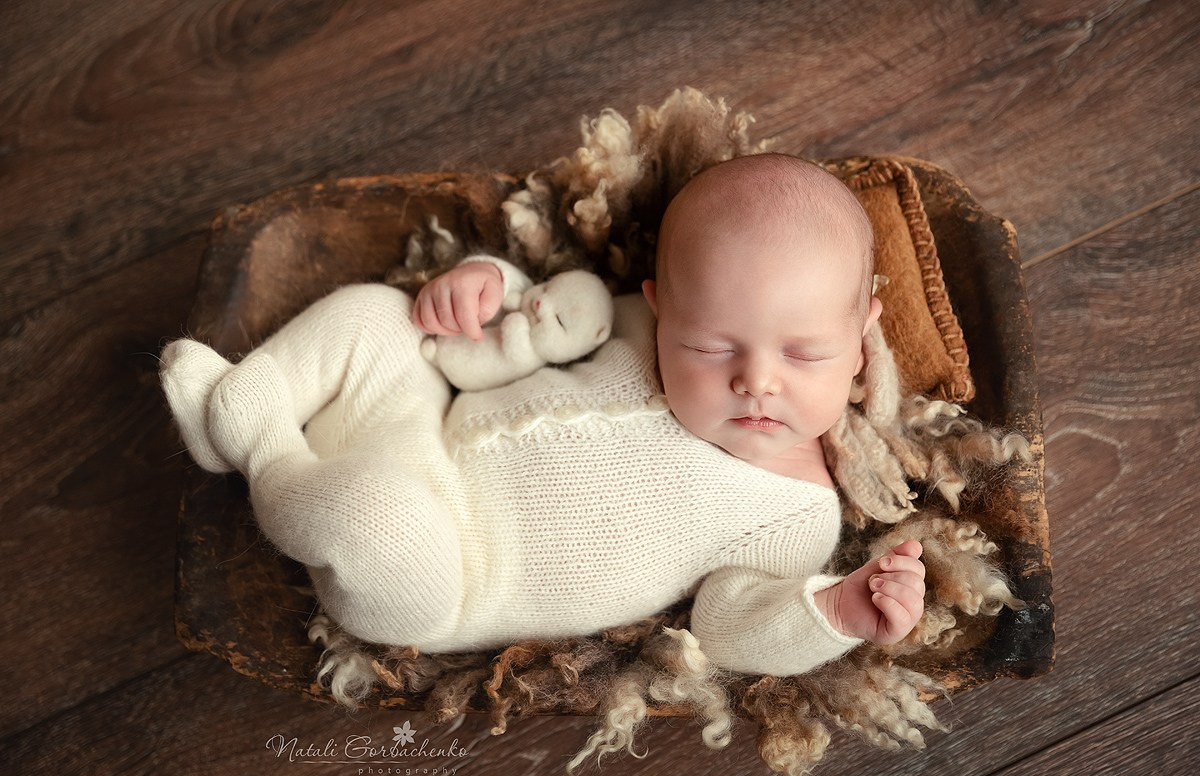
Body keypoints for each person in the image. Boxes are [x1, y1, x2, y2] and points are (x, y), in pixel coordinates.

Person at [160, 153, 925, 677]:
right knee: (379, 316)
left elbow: (728, 628)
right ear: (660, 306)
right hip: (420, 426)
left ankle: (259, 443)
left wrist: (835, 612)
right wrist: (484, 288)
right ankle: (245, 408)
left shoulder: (795, 515)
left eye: (804, 354)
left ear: (862, 340)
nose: (755, 381)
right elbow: (541, 323)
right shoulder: (633, 323)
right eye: (710, 345)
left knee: (378, 517)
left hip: (442, 574)